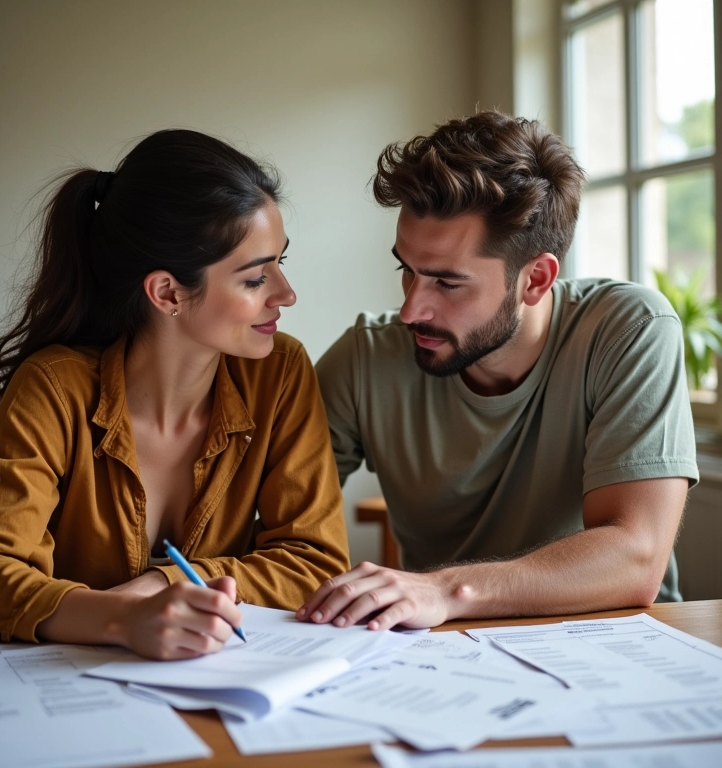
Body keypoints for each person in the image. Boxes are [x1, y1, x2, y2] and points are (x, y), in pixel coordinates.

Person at [0, 129, 350, 659]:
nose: (286, 294)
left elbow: (316, 561)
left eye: (280, 262)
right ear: (168, 292)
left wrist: (162, 587)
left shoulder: (280, 373)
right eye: (256, 279)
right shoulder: (51, 387)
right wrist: (122, 619)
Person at [297, 111, 698, 632]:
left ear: (535, 279)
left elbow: (635, 557)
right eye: (406, 270)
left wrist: (444, 589)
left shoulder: (627, 330)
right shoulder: (365, 360)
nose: (410, 310)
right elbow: (275, 526)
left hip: (615, 644)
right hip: (442, 657)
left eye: (446, 282)